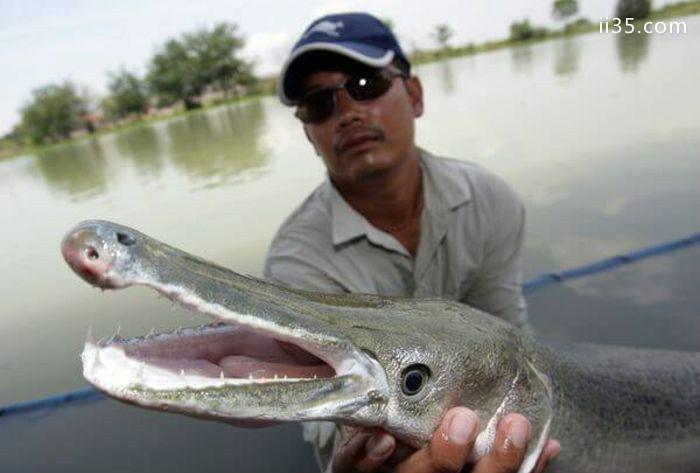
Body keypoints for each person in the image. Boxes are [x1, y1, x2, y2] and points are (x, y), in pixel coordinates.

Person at [264, 12, 560, 473]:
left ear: (415, 95)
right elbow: (323, 419)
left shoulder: (490, 199)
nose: (347, 113)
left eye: (366, 84)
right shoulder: (296, 261)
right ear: (308, 133)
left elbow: (511, 341)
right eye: (319, 105)